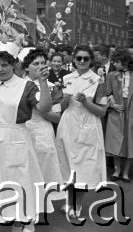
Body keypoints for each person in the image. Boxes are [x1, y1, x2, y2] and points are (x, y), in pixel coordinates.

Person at [0, 50, 52, 232]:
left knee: (18, 184)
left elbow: (44, 107)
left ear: (14, 65)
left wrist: (42, 82)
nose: (0, 69)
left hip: (17, 139)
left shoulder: (25, 86)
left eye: (5, 65)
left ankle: (19, 225)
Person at [55, 45, 107, 217]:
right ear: (74, 60)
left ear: (91, 60)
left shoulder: (98, 80)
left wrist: (86, 102)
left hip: (88, 125)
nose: (82, 61)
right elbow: (61, 107)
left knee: (83, 168)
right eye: (79, 58)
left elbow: (102, 111)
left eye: (86, 58)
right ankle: (68, 201)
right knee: (68, 165)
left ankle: (77, 205)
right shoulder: (67, 78)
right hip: (69, 125)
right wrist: (63, 98)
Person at [21, 49, 64, 199]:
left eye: (42, 63)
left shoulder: (53, 87)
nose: (40, 66)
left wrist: (40, 109)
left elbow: (58, 118)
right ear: (26, 67)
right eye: (35, 63)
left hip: (43, 132)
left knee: (43, 170)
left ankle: (39, 208)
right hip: (22, 131)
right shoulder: (18, 85)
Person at [104, 49, 133, 182]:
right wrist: (112, 104)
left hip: (131, 110)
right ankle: (117, 170)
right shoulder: (111, 75)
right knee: (115, 141)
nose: (114, 64)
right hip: (116, 110)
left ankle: (126, 172)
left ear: (125, 61)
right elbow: (107, 92)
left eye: (117, 61)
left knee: (130, 142)